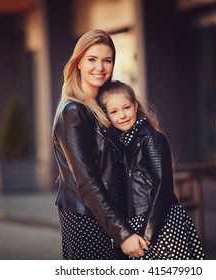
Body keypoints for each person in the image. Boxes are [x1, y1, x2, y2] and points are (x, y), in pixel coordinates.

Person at [52, 30, 148, 260]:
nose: (100, 67)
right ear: (78, 64)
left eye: (107, 60)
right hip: (87, 220)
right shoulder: (73, 112)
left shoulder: (103, 106)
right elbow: (86, 182)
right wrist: (123, 235)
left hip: (107, 216)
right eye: (92, 59)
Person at [97, 80, 206, 260]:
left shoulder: (151, 139)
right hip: (134, 227)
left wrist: (146, 235)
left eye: (126, 108)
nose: (122, 115)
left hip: (159, 225)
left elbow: (163, 187)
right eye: (114, 111)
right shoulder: (119, 144)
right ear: (106, 115)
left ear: (135, 106)